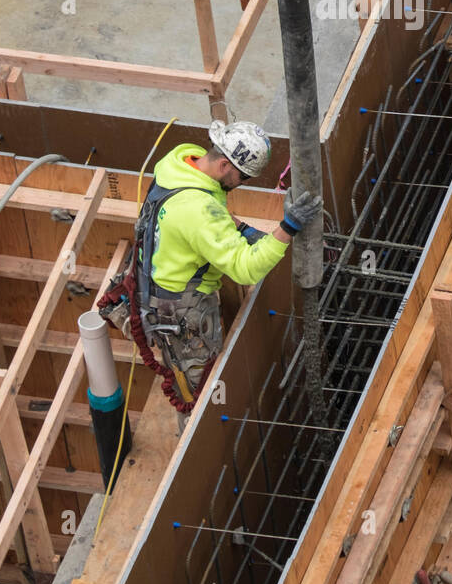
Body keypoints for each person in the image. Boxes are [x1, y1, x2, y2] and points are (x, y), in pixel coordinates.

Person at [102, 121, 321, 405]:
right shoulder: (199, 210)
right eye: (243, 178)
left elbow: (207, 217)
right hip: (178, 311)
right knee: (199, 393)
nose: (243, 184)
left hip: (157, 276)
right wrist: (288, 227)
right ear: (223, 166)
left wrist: (243, 232)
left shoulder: (178, 165)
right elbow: (246, 268)